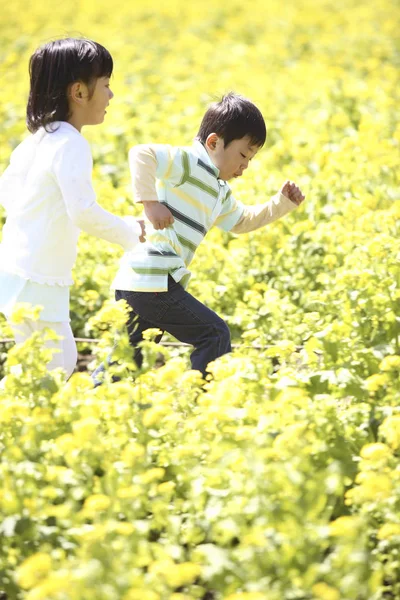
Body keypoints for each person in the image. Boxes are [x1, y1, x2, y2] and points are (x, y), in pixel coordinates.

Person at [104, 92, 305, 380]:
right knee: (214, 333)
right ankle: (202, 400)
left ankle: (97, 403)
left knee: (127, 361)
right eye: (243, 155)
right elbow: (142, 154)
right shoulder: (189, 162)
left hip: (145, 281)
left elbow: (242, 221)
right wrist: (150, 203)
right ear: (213, 143)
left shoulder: (220, 191)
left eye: (251, 159)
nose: (245, 166)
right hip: (153, 277)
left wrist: (281, 204)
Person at [0, 38, 145, 380]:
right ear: (79, 92)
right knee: (56, 367)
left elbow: (7, 193)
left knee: (37, 369)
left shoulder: (37, 140)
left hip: (14, 273)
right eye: (106, 85)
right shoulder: (71, 144)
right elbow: (83, 211)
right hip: (39, 280)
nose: (111, 96)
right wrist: (129, 233)